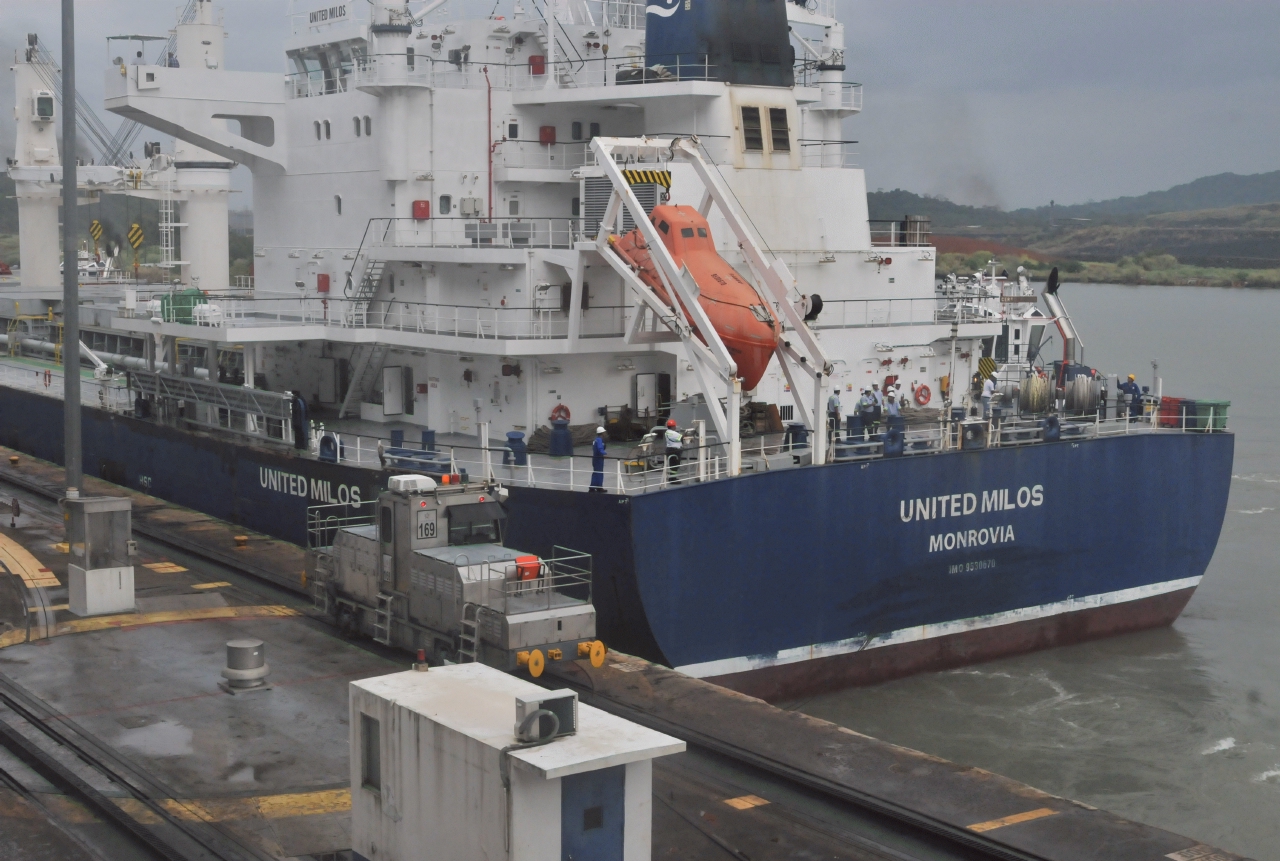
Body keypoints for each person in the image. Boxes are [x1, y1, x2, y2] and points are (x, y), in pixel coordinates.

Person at [590, 426, 607, 492]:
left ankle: (592, 487)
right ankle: (599, 487)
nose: (605, 433)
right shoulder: (599, 440)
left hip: (595, 458)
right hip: (599, 458)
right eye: (604, 432)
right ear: (602, 433)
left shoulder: (595, 439)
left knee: (595, 472)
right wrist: (604, 454)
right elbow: (600, 448)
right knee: (599, 473)